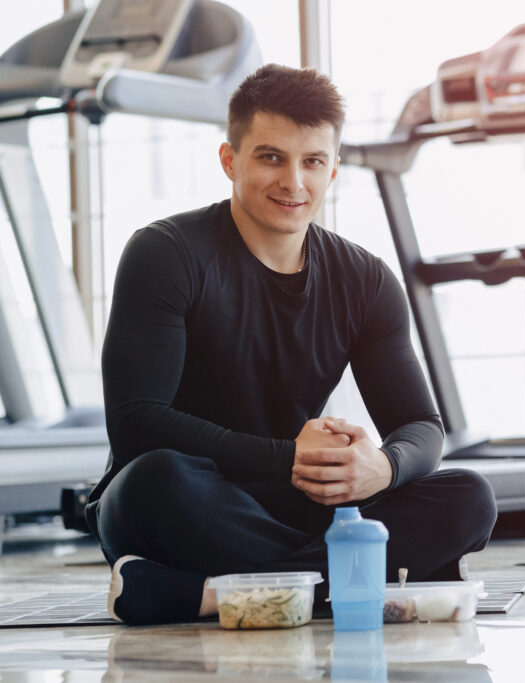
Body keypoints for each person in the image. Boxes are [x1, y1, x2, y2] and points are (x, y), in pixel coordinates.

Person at [85, 64, 497, 625]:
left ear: (333, 170)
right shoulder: (166, 253)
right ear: (231, 160)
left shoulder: (366, 280)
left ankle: (205, 594)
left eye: (312, 162)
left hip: (299, 503)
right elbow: (135, 423)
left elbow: (423, 427)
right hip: (197, 499)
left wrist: (383, 466)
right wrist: (288, 458)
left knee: (469, 496)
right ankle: (350, 581)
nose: (293, 183)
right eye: (271, 157)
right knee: (152, 481)